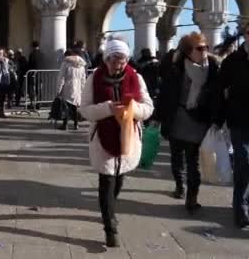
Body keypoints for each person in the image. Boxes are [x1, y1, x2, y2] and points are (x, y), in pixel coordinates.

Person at [79, 38, 153, 248]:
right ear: (107, 59)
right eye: (114, 60)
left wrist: (133, 110)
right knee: (107, 181)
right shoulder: (94, 79)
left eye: (122, 61)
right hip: (103, 137)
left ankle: (109, 210)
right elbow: (85, 110)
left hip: (127, 136)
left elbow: (148, 108)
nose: (118, 65)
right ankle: (110, 228)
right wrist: (108, 108)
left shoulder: (135, 78)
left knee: (119, 180)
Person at [156, 33, 219, 212]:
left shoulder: (212, 67)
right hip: (177, 119)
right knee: (177, 157)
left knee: (193, 161)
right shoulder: (176, 67)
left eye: (205, 47)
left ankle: (192, 197)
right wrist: (157, 117)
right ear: (188, 51)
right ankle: (179, 185)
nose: (204, 51)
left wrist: (216, 118)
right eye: (199, 48)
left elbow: (217, 95)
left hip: (199, 120)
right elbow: (165, 91)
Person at [216, 25, 249, 229]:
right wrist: (218, 118)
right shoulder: (233, 61)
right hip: (240, 121)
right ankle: (241, 208)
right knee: (243, 162)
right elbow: (220, 89)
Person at [56, 48, 87, 130]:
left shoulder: (66, 63)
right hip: (78, 86)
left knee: (66, 105)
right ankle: (76, 124)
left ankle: (65, 124)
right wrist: (83, 89)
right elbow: (83, 79)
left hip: (68, 85)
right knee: (75, 105)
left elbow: (61, 77)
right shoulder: (82, 65)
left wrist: (59, 89)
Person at [27, 41, 47, 109]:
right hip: (40, 74)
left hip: (33, 74)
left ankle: (32, 103)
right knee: (39, 89)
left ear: (32, 46)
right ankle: (39, 103)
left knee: (32, 89)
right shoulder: (42, 54)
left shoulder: (32, 54)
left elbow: (29, 65)